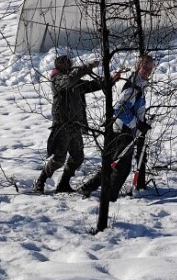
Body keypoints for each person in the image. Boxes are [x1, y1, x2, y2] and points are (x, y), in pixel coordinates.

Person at [33, 55, 119, 194]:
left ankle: (63, 184)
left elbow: (91, 85)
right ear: (59, 66)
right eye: (66, 63)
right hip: (62, 125)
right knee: (58, 160)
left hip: (76, 125)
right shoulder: (58, 79)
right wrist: (87, 66)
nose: (69, 65)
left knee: (77, 157)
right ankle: (41, 181)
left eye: (69, 63)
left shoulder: (75, 80)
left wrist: (110, 80)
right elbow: (69, 81)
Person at [78, 54, 155, 201]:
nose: (147, 71)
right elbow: (120, 109)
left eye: (150, 69)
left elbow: (136, 108)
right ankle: (108, 198)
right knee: (121, 168)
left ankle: (88, 187)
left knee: (113, 164)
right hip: (122, 130)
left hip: (124, 129)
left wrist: (141, 124)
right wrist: (137, 125)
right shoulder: (132, 85)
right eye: (145, 67)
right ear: (138, 66)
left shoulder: (140, 84)